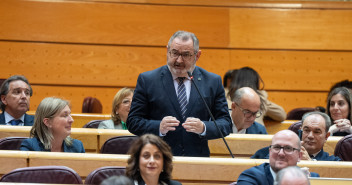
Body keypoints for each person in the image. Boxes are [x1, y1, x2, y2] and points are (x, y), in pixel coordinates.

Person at [127, 30, 232, 157]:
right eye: (175, 53)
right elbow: (133, 121)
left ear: (197, 55)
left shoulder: (212, 81)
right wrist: (158, 126)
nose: (179, 60)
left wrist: (203, 127)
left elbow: (225, 123)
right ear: (167, 51)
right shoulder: (148, 80)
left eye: (186, 55)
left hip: (197, 161)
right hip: (158, 159)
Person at [237, 130, 319, 185]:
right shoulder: (251, 176)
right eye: (276, 147)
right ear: (270, 151)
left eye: (288, 148)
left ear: (299, 156)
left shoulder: (312, 179)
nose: (281, 153)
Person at [20, 97, 85, 153]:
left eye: (70, 114)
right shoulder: (30, 147)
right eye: (65, 115)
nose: (71, 120)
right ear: (47, 122)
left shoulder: (77, 147)